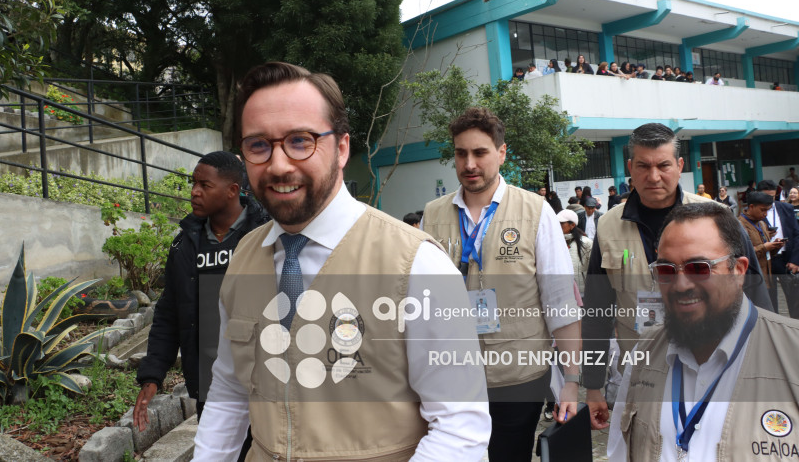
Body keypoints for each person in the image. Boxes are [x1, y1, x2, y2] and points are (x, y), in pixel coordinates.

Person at [193, 62, 491, 460]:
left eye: (301, 140)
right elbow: (230, 390)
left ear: (343, 148)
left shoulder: (417, 266)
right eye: (259, 145)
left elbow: (460, 428)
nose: (279, 164)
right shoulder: (243, 258)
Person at [581, 123, 773, 430]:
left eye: (663, 165)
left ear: (680, 166)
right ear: (631, 167)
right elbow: (596, 314)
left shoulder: (717, 217)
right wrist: (592, 386)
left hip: (713, 371)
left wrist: (766, 370)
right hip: (644, 377)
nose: (653, 176)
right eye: (643, 166)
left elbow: (756, 297)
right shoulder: (608, 226)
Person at [422, 106, 581, 461]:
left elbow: (561, 304)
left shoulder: (535, 211)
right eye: (461, 154)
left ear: (501, 152)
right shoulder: (433, 215)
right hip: (452, 376)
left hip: (519, 376)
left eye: (480, 152)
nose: (470, 164)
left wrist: (571, 381)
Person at [608, 202, 799, 461]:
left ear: (739, 270)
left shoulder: (792, 352)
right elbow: (620, 451)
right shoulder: (644, 353)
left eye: (699, 268)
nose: (681, 284)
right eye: (666, 270)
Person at [134, 151, 269, 459]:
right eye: (193, 184)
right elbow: (169, 312)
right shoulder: (184, 244)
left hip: (265, 381)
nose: (194, 192)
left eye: (204, 185)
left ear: (233, 190)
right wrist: (153, 376)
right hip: (212, 383)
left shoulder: (268, 235)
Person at [756, 179, 799, 317]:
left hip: (786, 259)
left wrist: (795, 260)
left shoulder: (786, 208)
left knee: (794, 299)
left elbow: (796, 234)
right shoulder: (753, 211)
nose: (769, 200)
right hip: (766, 260)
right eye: (766, 196)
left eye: (772, 196)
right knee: (769, 298)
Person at [739, 192, 780, 309]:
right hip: (753, 281)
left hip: (769, 277)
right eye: (763, 210)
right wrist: (765, 247)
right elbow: (743, 254)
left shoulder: (762, 224)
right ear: (751, 207)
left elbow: (767, 251)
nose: (765, 214)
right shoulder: (740, 225)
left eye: (767, 210)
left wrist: (775, 246)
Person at [558, 208, 592, 291]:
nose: (557, 225)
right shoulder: (553, 242)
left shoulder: (586, 242)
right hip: (561, 289)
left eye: (561, 223)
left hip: (582, 289)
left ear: (572, 225)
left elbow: (593, 267)